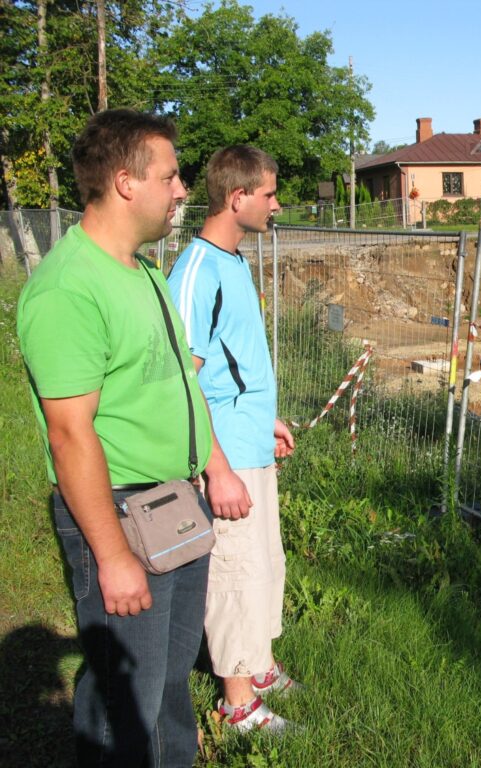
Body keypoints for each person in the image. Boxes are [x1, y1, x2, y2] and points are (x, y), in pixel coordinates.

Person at [17, 109, 248, 766]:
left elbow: (178, 384)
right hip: (120, 512)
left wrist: (214, 463)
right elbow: (70, 435)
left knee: (169, 680)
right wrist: (113, 555)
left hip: (175, 502)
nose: (182, 190)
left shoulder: (142, 272)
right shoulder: (68, 289)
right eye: (170, 176)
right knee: (126, 699)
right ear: (125, 182)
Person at [167, 145, 299, 733]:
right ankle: (236, 701)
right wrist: (215, 467)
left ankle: (259, 666)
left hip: (250, 444)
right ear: (236, 196)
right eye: (268, 194)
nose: (276, 204)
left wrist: (265, 418)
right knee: (235, 572)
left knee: (264, 564)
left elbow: (231, 363)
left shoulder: (234, 261)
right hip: (225, 456)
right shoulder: (197, 271)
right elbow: (182, 381)